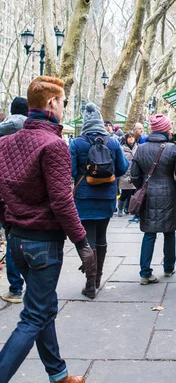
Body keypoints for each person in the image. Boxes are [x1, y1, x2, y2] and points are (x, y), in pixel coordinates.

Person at [0, 76, 95, 383]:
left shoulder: (5, 142)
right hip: (43, 244)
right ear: (52, 103)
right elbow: (61, 201)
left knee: (44, 307)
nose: (65, 109)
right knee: (34, 316)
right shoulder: (54, 145)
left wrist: (10, 227)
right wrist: (83, 243)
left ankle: (58, 374)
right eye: (64, 102)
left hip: (17, 241)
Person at [69, 104, 129, 298]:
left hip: (84, 197)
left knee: (87, 238)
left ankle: (89, 284)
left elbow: (69, 170)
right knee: (102, 236)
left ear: (85, 123)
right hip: (107, 196)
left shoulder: (77, 143)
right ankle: (97, 279)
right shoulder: (112, 142)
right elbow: (122, 168)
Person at [131, 114, 176, 284]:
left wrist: (142, 188)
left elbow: (135, 175)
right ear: (166, 129)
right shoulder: (172, 148)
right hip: (168, 192)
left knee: (149, 233)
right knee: (169, 231)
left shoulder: (141, 148)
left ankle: (145, 272)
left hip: (148, 193)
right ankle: (169, 267)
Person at [0, 97, 28, 304]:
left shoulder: (1, 132)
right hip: (27, 195)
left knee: (10, 240)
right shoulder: (36, 133)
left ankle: (15, 288)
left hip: (3, 197)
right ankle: (31, 286)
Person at [117, 132, 136, 217]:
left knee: (133, 193)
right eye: (129, 137)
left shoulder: (138, 148)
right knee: (124, 193)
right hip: (124, 175)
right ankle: (120, 208)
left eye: (132, 137)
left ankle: (128, 208)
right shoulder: (122, 149)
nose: (131, 139)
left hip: (135, 174)